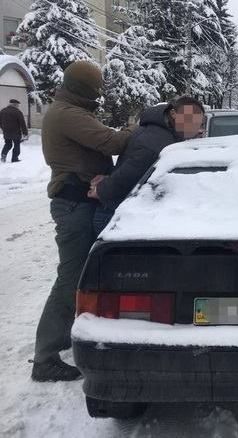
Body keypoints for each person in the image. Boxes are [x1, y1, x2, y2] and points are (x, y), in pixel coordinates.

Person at [33, 60, 134, 382]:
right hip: (74, 204)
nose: (99, 95)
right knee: (71, 277)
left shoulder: (71, 110)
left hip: (78, 202)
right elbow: (111, 142)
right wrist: (139, 127)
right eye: (96, 90)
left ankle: (60, 337)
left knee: (76, 276)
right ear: (84, 89)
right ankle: (45, 358)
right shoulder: (68, 114)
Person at [89, 96, 206, 234]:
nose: (195, 126)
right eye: (190, 119)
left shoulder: (161, 131)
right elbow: (129, 175)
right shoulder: (156, 142)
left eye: (198, 122)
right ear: (174, 114)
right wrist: (102, 190)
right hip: (116, 218)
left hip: (123, 214)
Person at [0, 98, 28, 163]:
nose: (18, 106)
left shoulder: (2, 111)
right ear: (15, 104)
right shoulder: (17, 112)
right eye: (18, 105)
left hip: (6, 132)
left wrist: (3, 128)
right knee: (16, 144)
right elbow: (22, 123)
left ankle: (3, 156)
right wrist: (25, 133)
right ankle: (14, 158)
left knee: (8, 144)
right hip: (16, 132)